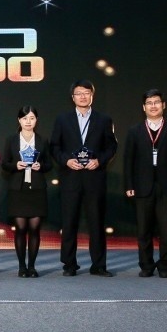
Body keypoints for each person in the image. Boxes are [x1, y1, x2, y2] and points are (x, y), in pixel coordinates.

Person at [50, 79, 118, 277]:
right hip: (70, 177)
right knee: (69, 222)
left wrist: (99, 161)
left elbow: (112, 146)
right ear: (73, 97)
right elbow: (54, 146)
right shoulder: (62, 119)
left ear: (92, 96)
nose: (82, 96)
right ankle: (69, 265)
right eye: (79, 93)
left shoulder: (103, 119)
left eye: (86, 93)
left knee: (96, 223)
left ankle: (99, 265)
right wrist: (66, 161)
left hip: (94, 177)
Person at [124, 89, 167, 278]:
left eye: (157, 102)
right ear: (143, 107)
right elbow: (128, 160)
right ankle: (146, 265)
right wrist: (129, 185)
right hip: (142, 187)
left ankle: (165, 266)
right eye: (149, 103)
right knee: (143, 230)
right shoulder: (134, 131)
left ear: (163, 105)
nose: (153, 106)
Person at [1, 106, 52, 278]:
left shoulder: (43, 140)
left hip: (37, 189)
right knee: (21, 228)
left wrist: (41, 166)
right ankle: (22, 267)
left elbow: (49, 164)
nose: (28, 122)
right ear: (19, 120)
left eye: (31, 118)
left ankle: (32, 266)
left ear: (36, 120)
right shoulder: (11, 140)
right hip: (18, 189)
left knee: (35, 229)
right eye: (24, 118)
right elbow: (4, 164)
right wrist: (15, 165)